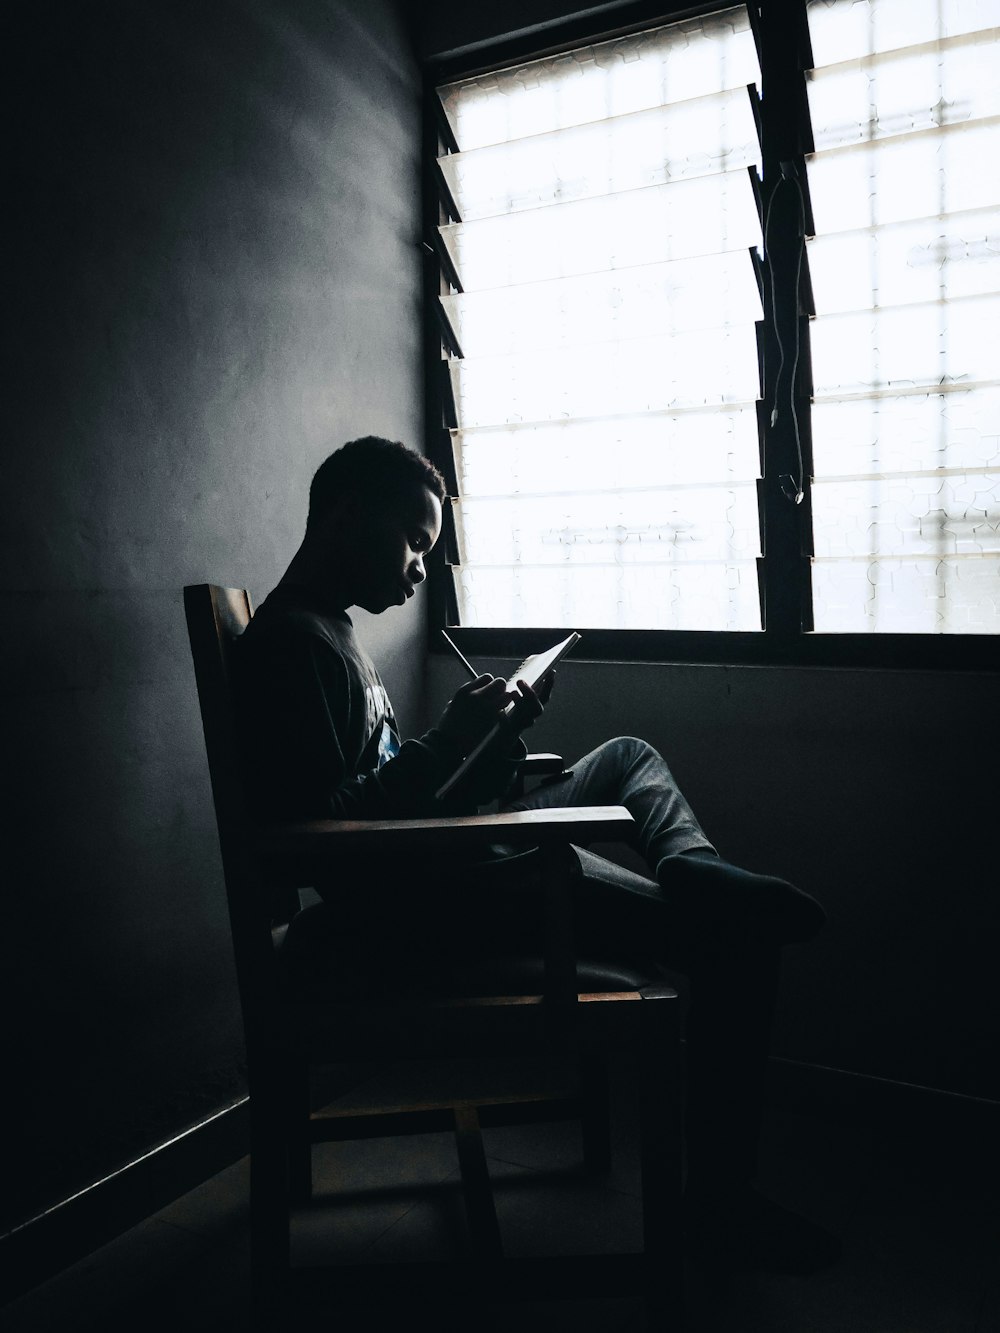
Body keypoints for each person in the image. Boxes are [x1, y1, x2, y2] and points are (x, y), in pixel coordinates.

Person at [235, 434, 840, 1273]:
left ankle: (688, 863)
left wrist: (491, 739)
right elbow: (326, 846)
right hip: (436, 895)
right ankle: (721, 1207)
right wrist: (451, 737)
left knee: (625, 754)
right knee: (738, 940)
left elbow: (393, 793)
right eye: (414, 540)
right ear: (348, 514)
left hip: (446, 861)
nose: (420, 567)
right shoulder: (289, 646)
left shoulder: (331, 634)